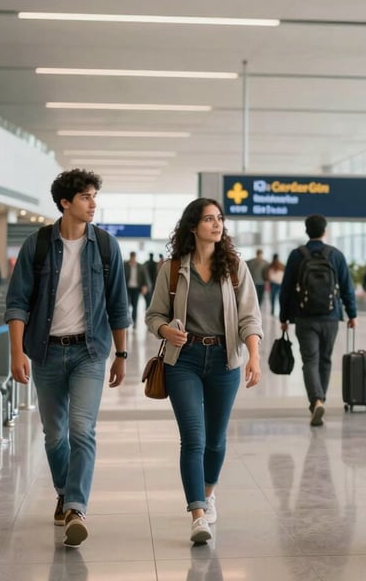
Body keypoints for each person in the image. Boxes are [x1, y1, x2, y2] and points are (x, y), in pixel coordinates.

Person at [4, 169, 129, 548]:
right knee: (55, 434)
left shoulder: (106, 246)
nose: (93, 204)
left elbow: (118, 305)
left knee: (81, 430)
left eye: (94, 196)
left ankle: (76, 507)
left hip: (89, 352)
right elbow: (18, 302)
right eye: (86, 197)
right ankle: (63, 490)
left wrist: (121, 355)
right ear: (65, 203)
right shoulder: (37, 244)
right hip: (45, 352)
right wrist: (16, 353)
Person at [145, 198, 262, 545]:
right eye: (209, 219)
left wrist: (253, 355)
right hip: (185, 360)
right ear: (193, 227)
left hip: (225, 360)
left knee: (216, 439)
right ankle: (197, 514)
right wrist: (165, 331)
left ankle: (208, 492)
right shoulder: (171, 268)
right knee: (193, 438)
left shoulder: (235, 267)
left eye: (219, 218)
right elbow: (154, 316)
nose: (217, 224)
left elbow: (249, 317)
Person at [280, 214, 357, 426]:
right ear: (325, 231)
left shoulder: (297, 255)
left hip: (304, 317)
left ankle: (316, 400)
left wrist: (284, 317)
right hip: (331, 317)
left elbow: (286, 289)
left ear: (306, 231)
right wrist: (352, 314)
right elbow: (347, 287)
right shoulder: (335, 255)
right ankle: (320, 398)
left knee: (310, 361)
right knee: (325, 359)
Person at [123, 251, 149, 327]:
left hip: (136, 289)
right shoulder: (125, 265)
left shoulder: (140, 266)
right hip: (127, 288)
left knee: (135, 306)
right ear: (130, 257)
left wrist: (145, 286)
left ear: (135, 257)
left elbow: (145, 277)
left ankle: (134, 322)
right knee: (127, 305)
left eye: (134, 257)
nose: (133, 259)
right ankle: (127, 321)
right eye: (132, 257)